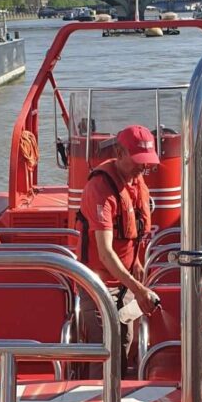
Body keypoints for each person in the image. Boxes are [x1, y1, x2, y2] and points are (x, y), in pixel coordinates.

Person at [78, 123, 162, 359]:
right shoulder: (100, 189)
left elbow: (133, 229)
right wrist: (140, 289)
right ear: (119, 153)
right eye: (138, 160)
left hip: (126, 284)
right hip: (99, 287)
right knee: (105, 351)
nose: (143, 167)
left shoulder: (137, 181)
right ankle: (97, 394)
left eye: (147, 161)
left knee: (124, 343)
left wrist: (136, 263)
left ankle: (120, 391)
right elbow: (105, 253)